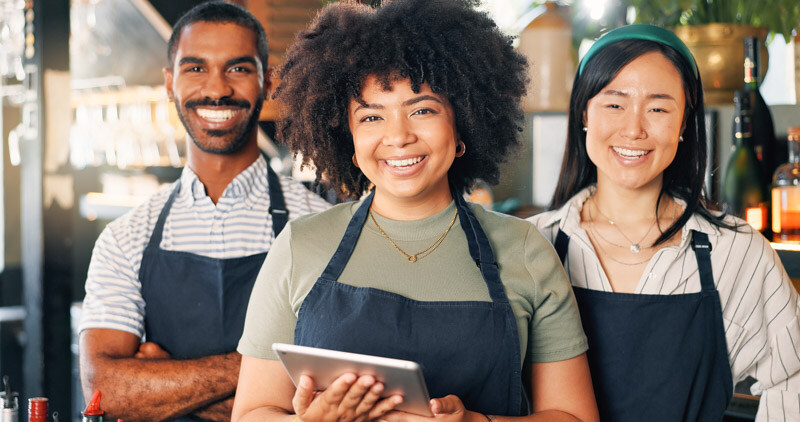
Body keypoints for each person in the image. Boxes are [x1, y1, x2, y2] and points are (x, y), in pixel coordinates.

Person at [231, 1, 599, 421]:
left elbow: (575, 416)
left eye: (422, 110)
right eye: (371, 117)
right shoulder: (300, 246)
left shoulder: (525, 250)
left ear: (462, 125)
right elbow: (251, 413)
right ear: (347, 139)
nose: (398, 137)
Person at [529, 24, 800, 421]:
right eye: (614, 104)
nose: (634, 129)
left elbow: (792, 378)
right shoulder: (532, 245)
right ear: (584, 112)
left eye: (658, 107)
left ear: (685, 123)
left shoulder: (736, 252)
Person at [78, 2, 331, 421]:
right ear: (169, 82)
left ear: (268, 82)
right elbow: (104, 389)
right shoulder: (126, 238)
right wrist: (267, 380)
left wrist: (160, 382)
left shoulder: (318, 226)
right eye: (195, 68)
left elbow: (331, 387)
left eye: (238, 69)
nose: (216, 89)